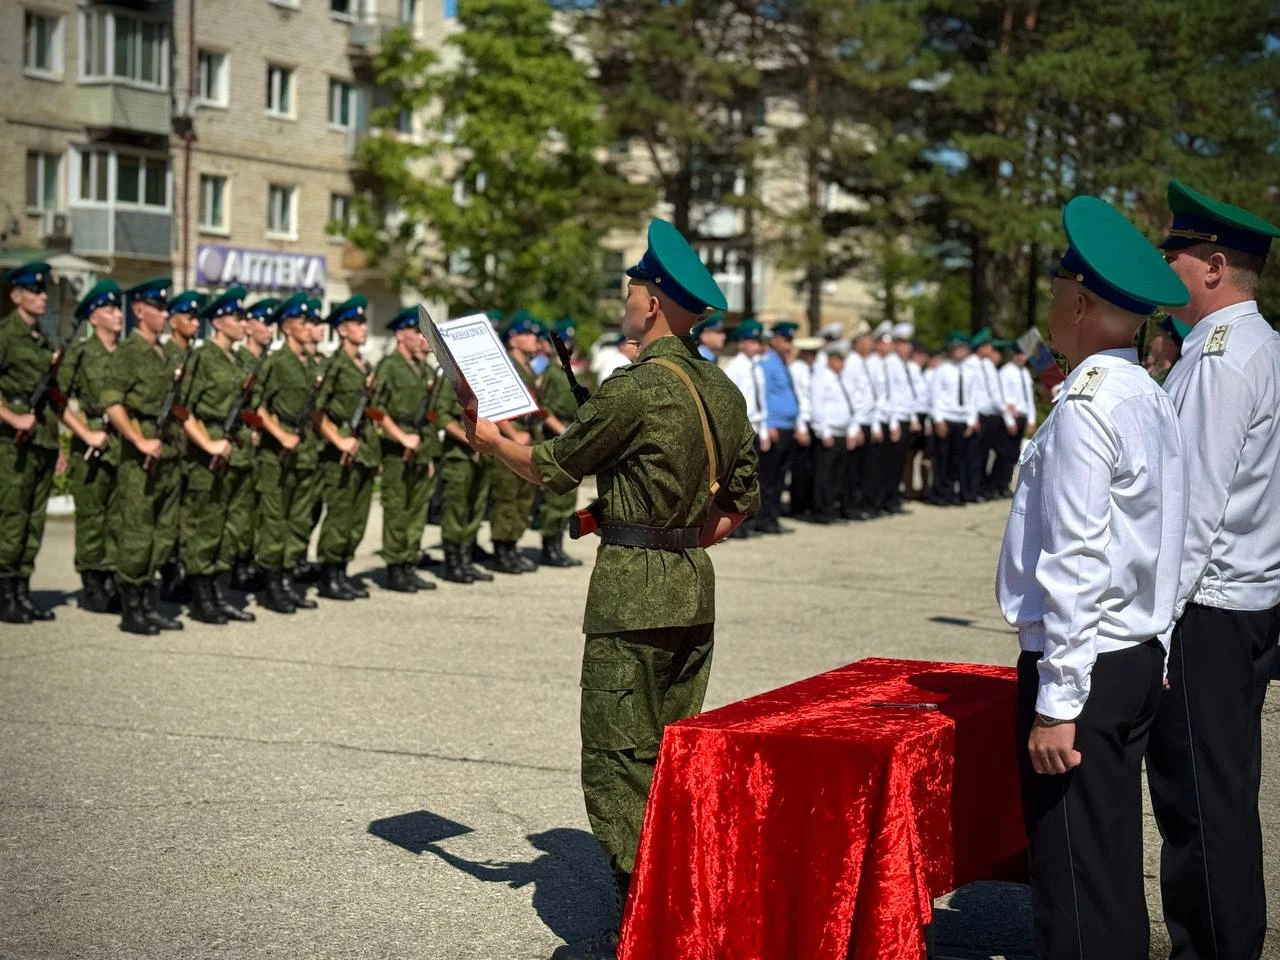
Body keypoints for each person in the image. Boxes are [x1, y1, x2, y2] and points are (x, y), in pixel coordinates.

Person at [465, 218, 759, 960]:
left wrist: (489, 440)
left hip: (633, 596)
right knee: (669, 755)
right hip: (693, 586)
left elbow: (549, 467)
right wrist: (666, 529)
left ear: (653, 302)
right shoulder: (719, 388)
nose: (625, 297)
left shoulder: (638, 388)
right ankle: (679, 904)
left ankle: (642, 924)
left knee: (618, 756)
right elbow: (739, 502)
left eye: (632, 287)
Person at [997, 194, 1190, 960]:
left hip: (1088, 662)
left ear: (1078, 301)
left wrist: (1057, 701)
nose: (1048, 305)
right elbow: (1173, 530)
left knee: (1073, 874)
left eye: (1053, 291)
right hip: (1134, 652)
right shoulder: (1145, 392)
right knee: (1108, 863)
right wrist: (1162, 642)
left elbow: (1077, 560)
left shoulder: (1085, 407)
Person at [1145, 179, 1280, 960]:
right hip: (1245, 601)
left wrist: (1156, 627)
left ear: (1214, 266)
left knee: (1199, 803)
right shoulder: (1256, 346)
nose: (1164, 271)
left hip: (1208, 609)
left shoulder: (1221, 361)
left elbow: (1190, 509)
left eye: (1176, 256)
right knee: (1221, 792)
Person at [101, 277, 186, 635]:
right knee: (138, 530)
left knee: (163, 532)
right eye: (159, 307)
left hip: (169, 450)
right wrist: (138, 440)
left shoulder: (165, 353)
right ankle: (131, 608)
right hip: (142, 455)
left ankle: (149, 602)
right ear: (139, 311)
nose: (165, 314)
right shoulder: (128, 353)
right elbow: (112, 402)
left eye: (167, 308)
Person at [179, 288, 258, 625]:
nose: (243, 323)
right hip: (210, 452)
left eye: (243, 317)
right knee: (207, 525)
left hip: (239, 452)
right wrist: (207, 444)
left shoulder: (242, 360)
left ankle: (221, 594)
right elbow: (183, 410)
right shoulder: (202, 357)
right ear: (217, 322)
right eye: (236, 317)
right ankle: (201, 597)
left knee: (233, 527)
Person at [254, 293, 326, 614]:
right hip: (277, 453)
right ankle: (272, 585)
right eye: (303, 322)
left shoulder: (309, 364)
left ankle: (287, 579)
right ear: (286, 327)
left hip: (305, 450)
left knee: (298, 518)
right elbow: (256, 406)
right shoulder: (276, 362)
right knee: (275, 520)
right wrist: (280, 433)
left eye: (311, 321)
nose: (309, 327)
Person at [58, 279, 125, 614]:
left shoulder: (126, 354)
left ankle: (112, 576)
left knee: (117, 516)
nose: (118, 315)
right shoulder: (81, 354)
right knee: (92, 516)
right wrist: (84, 434)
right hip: (93, 446)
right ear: (93, 317)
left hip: (122, 446)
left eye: (118, 308)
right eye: (110, 309)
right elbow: (56, 399)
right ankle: (92, 583)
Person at [0, 261, 61, 623]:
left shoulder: (44, 339)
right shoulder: (6, 335)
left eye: (44, 291)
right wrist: (11, 417)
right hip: (12, 445)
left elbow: (53, 395)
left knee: (34, 520)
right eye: (35, 291)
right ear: (15, 295)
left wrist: (61, 444)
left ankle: (22, 589)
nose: (42, 297)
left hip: (42, 441)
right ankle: (5, 593)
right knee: (12, 517)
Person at [489, 312, 566, 574]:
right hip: (514, 436)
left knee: (523, 496)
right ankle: (502, 549)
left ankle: (512, 546)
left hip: (528, 436)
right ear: (514, 339)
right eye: (528, 334)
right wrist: (511, 434)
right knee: (508, 497)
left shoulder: (528, 369)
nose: (534, 339)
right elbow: (494, 406)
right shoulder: (506, 365)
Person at [315, 295, 379, 600]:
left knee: (357, 517)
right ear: (341, 329)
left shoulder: (365, 365)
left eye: (364, 322)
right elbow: (316, 411)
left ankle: (343, 570)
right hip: (341, 451)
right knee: (340, 515)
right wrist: (338, 439)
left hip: (364, 449)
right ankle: (329, 575)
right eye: (356, 323)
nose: (363, 328)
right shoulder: (335, 365)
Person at [373, 306, 440, 593]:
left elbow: (430, 415)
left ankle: (409, 562)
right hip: (395, 449)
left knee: (416, 509)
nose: (423, 338)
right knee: (397, 509)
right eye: (417, 332)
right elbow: (376, 410)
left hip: (419, 446)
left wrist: (428, 452)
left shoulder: (425, 370)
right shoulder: (389, 366)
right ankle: (394, 567)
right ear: (401, 335)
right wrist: (401, 437)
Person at [226, 296, 276, 592]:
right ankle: (236, 565)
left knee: (258, 509)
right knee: (240, 509)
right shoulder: (241, 361)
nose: (269, 329)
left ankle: (251, 561)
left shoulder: (266, 362)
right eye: (263, 322)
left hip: (262, 447)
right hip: (243, 442)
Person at [432, 355, 495, 585]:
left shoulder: (487, 378)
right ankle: (453, 562)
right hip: (459, 457)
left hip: (484, 455)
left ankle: (466, 559)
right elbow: (441, 415)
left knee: (476, 507)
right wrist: (469, 440)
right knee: (456, 509)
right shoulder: (454, 380)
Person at [535, 319, 585, 568]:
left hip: (570, 433)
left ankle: (557, 545)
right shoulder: (551, 374)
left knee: (567, 498)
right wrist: (564, 432)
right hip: (557, 437)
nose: (569, 346)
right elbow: (543, 410)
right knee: (555, 497)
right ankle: (549, 547)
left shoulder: (566, 372)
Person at [723, 318, 767, 536]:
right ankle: (736, 525)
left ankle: (751, 520)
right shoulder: (736, 366)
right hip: (743, 428)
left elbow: (762, 401)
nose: (755, 346)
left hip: (757, 426)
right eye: (750, 341)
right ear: (741, 343)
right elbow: (733, 401)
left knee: (755, 478)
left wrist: (765, 429)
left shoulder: (757, 367)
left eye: (757, 342)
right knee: (740, 478)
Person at [757, 321, 801, 534]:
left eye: (790, 341)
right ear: (774, 340)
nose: (789, 345)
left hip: (787, 427)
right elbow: (762, 396)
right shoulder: (768, 364)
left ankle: (773, 517)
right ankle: (765, 518)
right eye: (786, 340)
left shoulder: (783, 363)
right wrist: (768, 424)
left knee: (780, 477)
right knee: (769, 478)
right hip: (775, 427)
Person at [930, 332, 979, 505]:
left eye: (962, 348)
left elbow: (972, 397)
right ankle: (940, 492)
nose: (958, 351)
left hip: (962, 419)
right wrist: (938, 420)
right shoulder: (942, 370)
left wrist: (971, 420)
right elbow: (935, 396)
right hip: (946, 418)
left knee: (957, 459)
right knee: (942, 458)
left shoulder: (970, 371)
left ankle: (952, 491)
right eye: (956, 348)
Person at [809, 340, 855, 523]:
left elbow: (847, 406)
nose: (842, 364)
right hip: (829, 434)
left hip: (841, 433)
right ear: (831, 360)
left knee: (837, 475)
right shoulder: (822, 378)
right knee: (824, 475)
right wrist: (824, 431)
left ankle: (832, 508)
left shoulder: (838, 377)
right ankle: (821, 510)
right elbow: (818, 408)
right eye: (839, 360)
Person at [842, 321, 878, 520]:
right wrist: (853, 427)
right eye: (867, 338)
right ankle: (850, 506)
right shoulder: (852, 363)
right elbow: (850, 397)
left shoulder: (864, 362)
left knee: (864, 469)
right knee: (853, 470)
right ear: (858, 341)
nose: (871, 342)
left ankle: (860, 503)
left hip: (867, 421)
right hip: (856, 423)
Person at [993, 341, 1037, 495]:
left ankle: (1005, 484)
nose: (1021, 357)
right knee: (1003, 454)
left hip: (1022, 416)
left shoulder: (1025, 373)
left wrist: (1032, 419)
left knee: (1014, 454)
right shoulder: (1006, 372)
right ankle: (997, 484)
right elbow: (1003, 398)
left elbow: (1029, 398)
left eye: (1023, 354)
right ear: (1013, 354)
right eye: (1018, 354)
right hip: (1010, 418)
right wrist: (1009, 421)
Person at [788, 336, 821, 519]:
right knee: (800, 469)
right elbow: (798, 399)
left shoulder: (812, 369)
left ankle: (807, 503)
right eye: (812, 353)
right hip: (801, 423)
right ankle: (798, 506)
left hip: (811, 422)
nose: (814, 357)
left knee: (810, 468)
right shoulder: (796, 369)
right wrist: (800, 427)